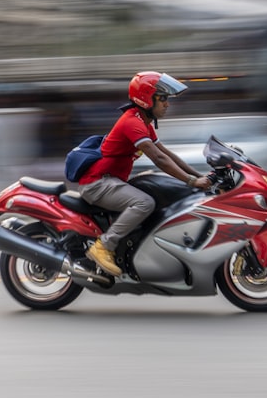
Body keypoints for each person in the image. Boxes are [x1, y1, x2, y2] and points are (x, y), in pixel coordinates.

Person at [77, 71, 213, 277]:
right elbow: (158, 160)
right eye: (163, 99)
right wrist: (192, 181)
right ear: (147, 99)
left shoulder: (143, 123)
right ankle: (103, 247)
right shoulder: (132, 123)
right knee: (144, 203)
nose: (167, 104)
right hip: (97, 184)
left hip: (110, 181)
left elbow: (167, 155)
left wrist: (203, 176)